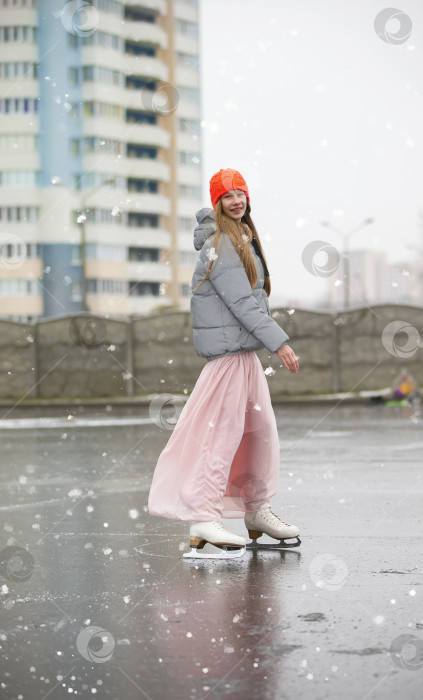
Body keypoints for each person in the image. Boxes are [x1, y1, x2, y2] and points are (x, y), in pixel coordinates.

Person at [148, 168, 300, 556]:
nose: (236, 201)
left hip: (244, 355)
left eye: (240, 194)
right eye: (227, 196)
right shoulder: (219, 244)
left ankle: (256, 510)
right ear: (217, 203)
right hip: (229, 359)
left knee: (259, 434)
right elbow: (242, 303)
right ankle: (203, 515)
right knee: (219, 436)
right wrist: (279, 343)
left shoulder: (241, 238)